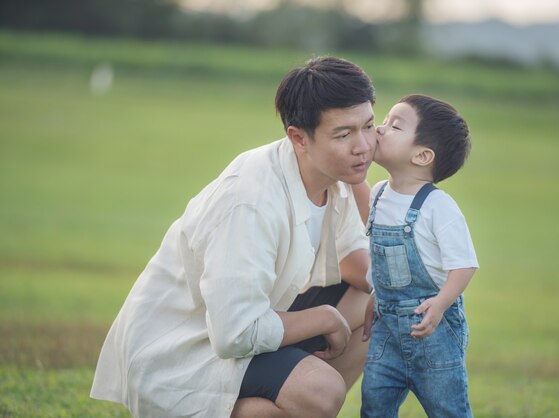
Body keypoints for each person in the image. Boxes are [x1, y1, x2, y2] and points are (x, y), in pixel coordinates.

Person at [90, 56, 377, 418]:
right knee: (320, 390)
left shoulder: (333, 179)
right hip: (189, 351)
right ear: (299, 138)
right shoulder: (250, 201)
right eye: (344, 134)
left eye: (368, 126)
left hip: (256, 325)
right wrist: (324, 318)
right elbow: (235, 333)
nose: (363, 145)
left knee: (378, 308)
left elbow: (353, 257)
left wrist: (401, 288)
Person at [359, 94, 479, 418]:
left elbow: (464, 265)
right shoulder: (378, 194)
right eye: (383, 121)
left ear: (422, 155)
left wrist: (440, 305)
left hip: (432, 330)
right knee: (374, 402)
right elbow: (382, 261)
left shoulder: (438, 207)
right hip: (387, 330)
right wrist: (375, 294)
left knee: (447, 408)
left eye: (394, 126)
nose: (380, 129)